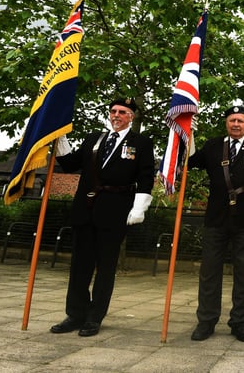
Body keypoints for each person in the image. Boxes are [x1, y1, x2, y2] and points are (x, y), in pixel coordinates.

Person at [50, 97, 155, 337]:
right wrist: (59, 136)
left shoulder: (141, 143)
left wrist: (140, 207)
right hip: (85, 209)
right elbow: (69, 164)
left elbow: (146, 176)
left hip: (115, 211)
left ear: (131, 116)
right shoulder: (94, 139)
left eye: (122, 112)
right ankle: (75, 314)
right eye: (113, 111)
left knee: (105, 267)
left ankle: (94, 317)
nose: (116, 115)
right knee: (79, 266)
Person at [188, 105, 244, 343]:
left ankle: (240, 322)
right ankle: (206, 322)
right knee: (209, 272)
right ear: (226, 123)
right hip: (216, 218)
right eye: (231, 120)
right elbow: (190, 161)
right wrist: (188, 135)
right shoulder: (213, 145)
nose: (236, 124)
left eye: (240, 120)